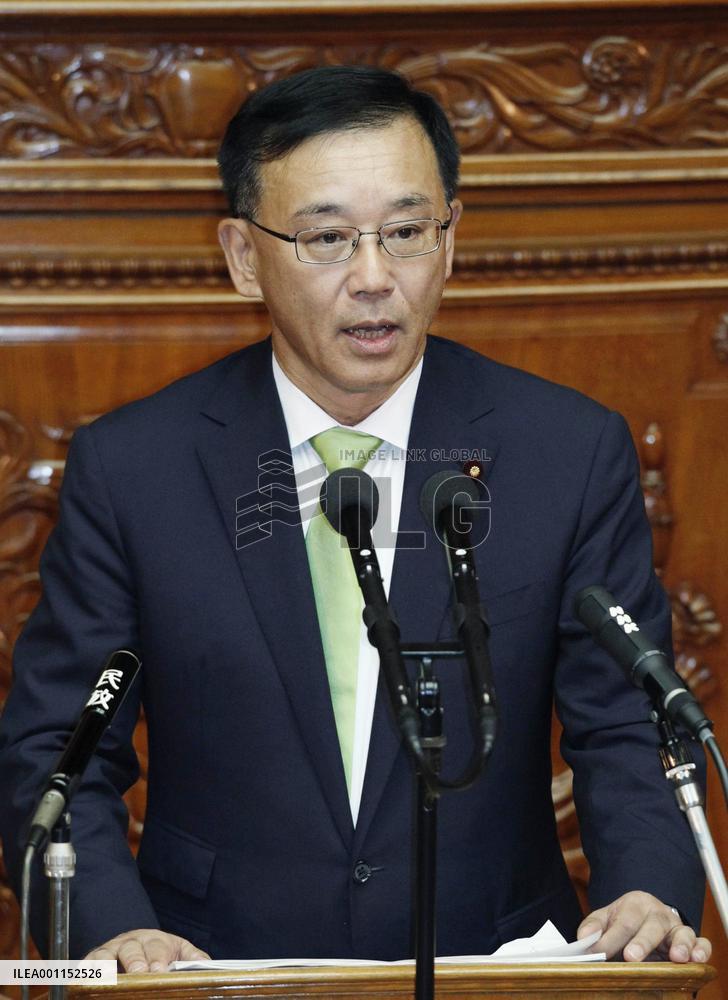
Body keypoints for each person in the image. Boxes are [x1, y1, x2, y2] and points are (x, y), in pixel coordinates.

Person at [0, 65, 710, 974]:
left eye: (408, 232)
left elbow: (629, 724)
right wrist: (109, 927)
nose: (375, 278)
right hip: (209, 973)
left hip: (492, 968)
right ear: (243, 256)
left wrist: (647, 887)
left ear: (451, 241)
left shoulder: (565, 451)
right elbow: (60, 749)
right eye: (328, 238)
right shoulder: (138, 467)